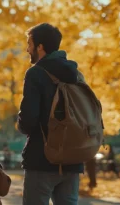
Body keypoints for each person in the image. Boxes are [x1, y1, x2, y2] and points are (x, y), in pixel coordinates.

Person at [17, 23, 83, 205]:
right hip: (73, 158)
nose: (27, 48)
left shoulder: (35, 73)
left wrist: (20, 123)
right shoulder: (75, 74)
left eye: (29, 44)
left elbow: (28, 121)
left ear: (40, 46)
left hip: (42, 158)